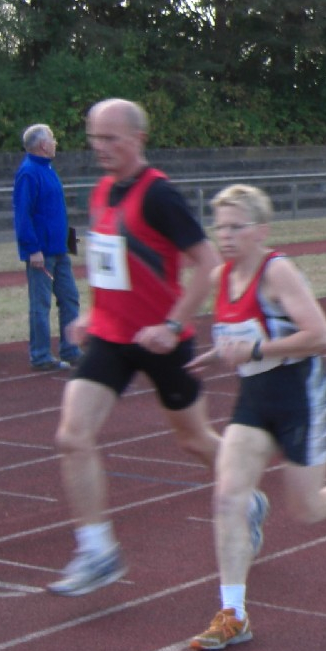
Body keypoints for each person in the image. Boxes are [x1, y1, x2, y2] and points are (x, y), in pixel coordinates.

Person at [48, 98, 265, 596]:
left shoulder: (159, 195)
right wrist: (92, 312)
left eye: (111, 138)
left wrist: (172, 325)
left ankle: (248, 498)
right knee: (72, 436)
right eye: (94, 138)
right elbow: (109, 261)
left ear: (138, 139)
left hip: (161, 340)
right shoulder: (102, 191)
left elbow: (207, 263)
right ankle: (98, 551)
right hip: (111, 338)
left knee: (193, 439)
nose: (100, 147)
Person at [186, 184, 326, 651]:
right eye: (219, 228)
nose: (225, 236)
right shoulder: (222, 277)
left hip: (302, 397)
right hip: (254, 400)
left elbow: (321, 336)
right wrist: (215, 355)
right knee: (228, 496)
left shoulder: (277, 272)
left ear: (260, 231)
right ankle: (233, 614)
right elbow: (241, 336)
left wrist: (256, 350)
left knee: (307, 509)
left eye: (236, 227)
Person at [13, 123, 82, 372]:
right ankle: (41, 355)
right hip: (41, 252)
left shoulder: (47, 169)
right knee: (40, 304)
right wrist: (32, 249)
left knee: (70, 298)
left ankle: (70, 349)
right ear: (43, 145)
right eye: (52, 139)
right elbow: (23, 215)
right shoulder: (29, 173)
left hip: (59, 249)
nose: (55, 143)